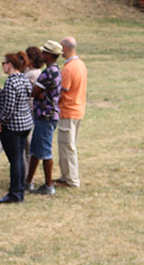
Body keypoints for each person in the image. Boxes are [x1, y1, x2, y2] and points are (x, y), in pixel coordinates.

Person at [0, 51, 34, 204]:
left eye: (4, 63)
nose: (3, 66)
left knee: (15, 160)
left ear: (9, 65)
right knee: (20, 159)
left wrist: (0, 122)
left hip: (14, 126)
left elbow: (9, 108)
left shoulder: (11, 82)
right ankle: (19, 190)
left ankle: (15, 193)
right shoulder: (24, 79)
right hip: (25, 123)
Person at [25, 40, 62, 195]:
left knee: (45, 151)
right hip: (46, 114)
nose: (41, 55)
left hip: (45, 115)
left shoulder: (48, 73)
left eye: (44, 52)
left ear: (49, 55)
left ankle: (48, 185)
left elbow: (33, 92)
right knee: (35, 150)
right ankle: (28, 181)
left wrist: (38, 93)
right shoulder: (55, 70)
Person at [57, 37, 87, 188]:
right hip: (78, 110)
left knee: (67, 147)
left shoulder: (69, 68)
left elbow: (63, 92)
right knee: (69, 145)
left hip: (68, 111)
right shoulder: (80, 64)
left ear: (66, 49)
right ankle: (66, 176)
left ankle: (72, 180)